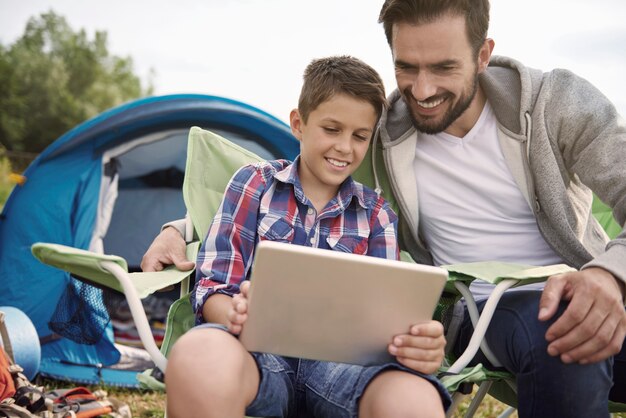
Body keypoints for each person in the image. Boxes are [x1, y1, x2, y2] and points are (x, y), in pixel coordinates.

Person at [143, 1, 626, 416]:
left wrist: (609, 275)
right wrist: (180, 227)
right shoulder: (388, 130)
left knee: (567, 318)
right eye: (406, 67)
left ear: (483, 55)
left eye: (442, 67)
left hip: (583, 283)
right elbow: (282, 182)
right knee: (564, 328)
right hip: (479, 312)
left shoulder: (551, 104)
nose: (420, 90)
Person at [162, 55, 450, 418]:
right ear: (299, 123)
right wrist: (236, 313)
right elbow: (213, 286)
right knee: (199, 356)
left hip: (344, 371)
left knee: (413, 398)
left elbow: (387, 321)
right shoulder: (254, 184)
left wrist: (415, 344)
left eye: (360, 136)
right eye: (332, 130)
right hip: (256, 357)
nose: (345, 148)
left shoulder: (377, 214)